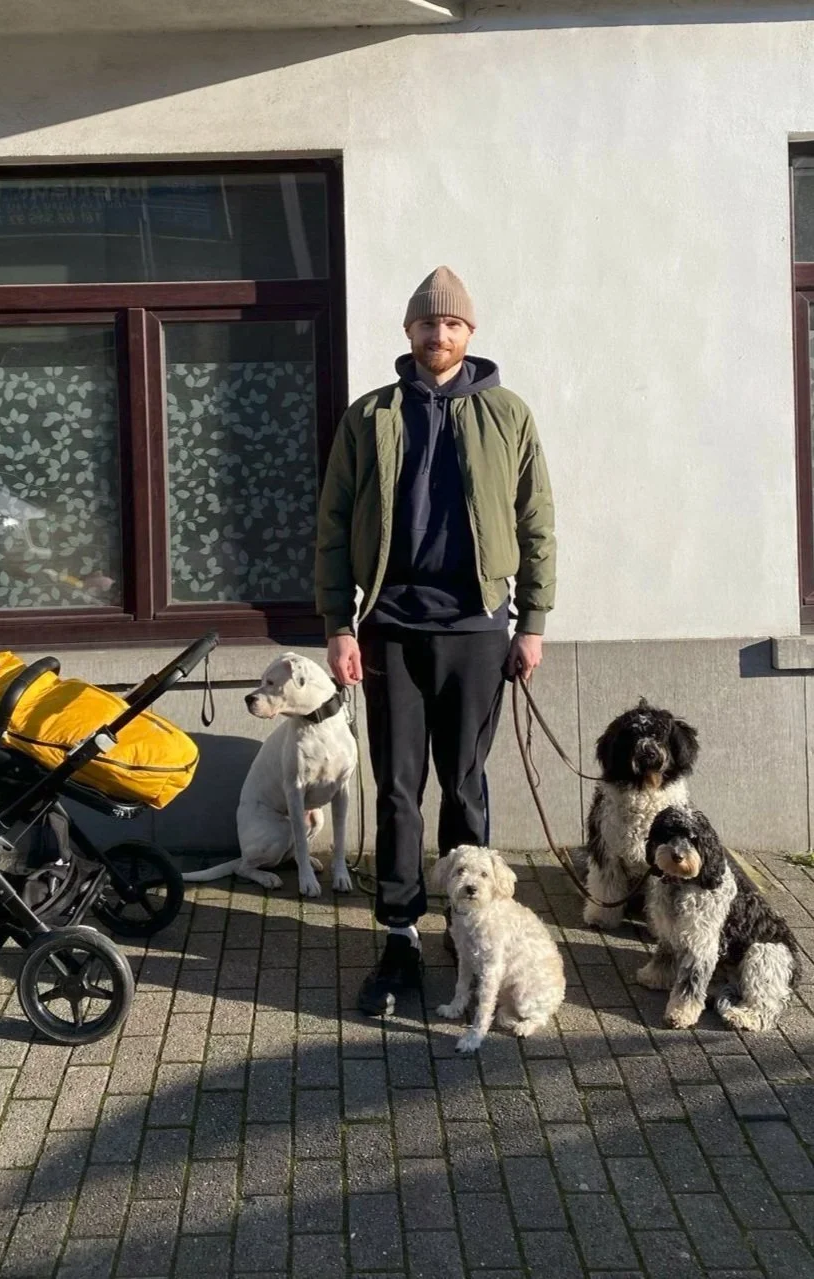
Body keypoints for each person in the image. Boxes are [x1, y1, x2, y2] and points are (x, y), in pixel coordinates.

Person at [315, 266, 557, 1015]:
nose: (437, 334)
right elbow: (331, 525)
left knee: (463, 782)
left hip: (478, 627)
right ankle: (398, 935)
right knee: (394, 786)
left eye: (450, 324)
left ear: (468, 333)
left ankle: (465, 923)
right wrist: (337, 623)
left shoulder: (507, 414)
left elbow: (536, 521)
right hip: (390, 625)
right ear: (409, 332)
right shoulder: (370, 416)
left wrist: (534, 623)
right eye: (426, 323)